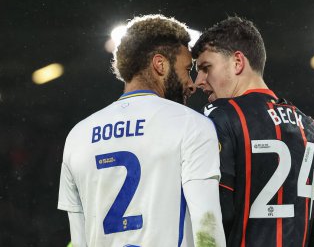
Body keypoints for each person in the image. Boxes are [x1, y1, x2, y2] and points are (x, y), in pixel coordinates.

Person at [58, 14, 226, 247]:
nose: (192, 83)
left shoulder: (77, 136)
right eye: (187, 69)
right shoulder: (192, 125)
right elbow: (207, 228)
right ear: (160, 64)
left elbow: (78, 240)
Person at [192, 16, 314, 247]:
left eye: (206, 68)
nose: (198, 81)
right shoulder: (310, 127)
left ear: (237, 62)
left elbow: (214, 219)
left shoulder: (222, 116)